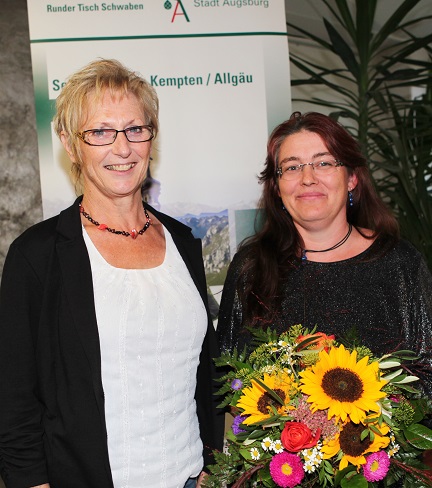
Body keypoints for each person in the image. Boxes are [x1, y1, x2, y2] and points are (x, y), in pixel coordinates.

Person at [0, 59, 223, 488]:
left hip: (192, 477)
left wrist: (215, 467)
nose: (122, 148)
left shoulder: (183, 241)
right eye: (100, 132)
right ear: (70, 144)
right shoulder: (38, 256)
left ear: (151, 139)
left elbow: (201, 375)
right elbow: (13, 399)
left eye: (135, 129)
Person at [217, 111, 432, 398]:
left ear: (352, 178)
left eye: (324, 163)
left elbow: (427, 379)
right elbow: (228, 382)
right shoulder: (251, 268)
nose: (308, 178)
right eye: (292, 168)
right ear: (277, 187)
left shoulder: (400, 264)